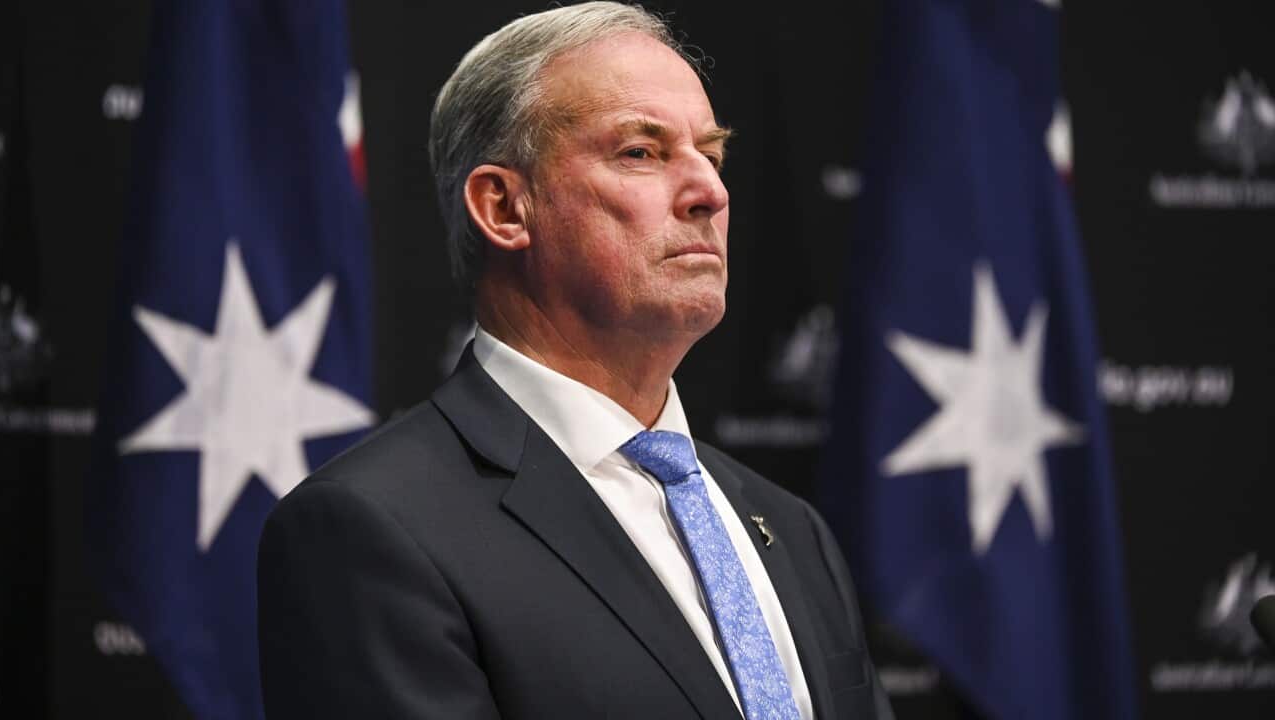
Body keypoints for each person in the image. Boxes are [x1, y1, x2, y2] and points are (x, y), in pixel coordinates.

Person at [257, 3, 893, 718]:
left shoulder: (789, 527)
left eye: (710, 156)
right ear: (504, 208)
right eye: (640, 152)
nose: (710, 192)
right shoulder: (371, 531)